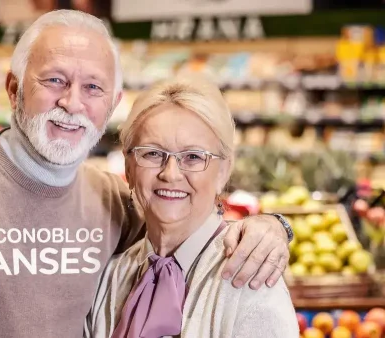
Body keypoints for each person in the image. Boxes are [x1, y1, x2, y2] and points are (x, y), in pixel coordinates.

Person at [0, 10, 292, 338]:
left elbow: (185, 221)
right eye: (54, 80)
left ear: (112, 101)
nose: (72, 102)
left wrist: (274, 227)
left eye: (93, 87)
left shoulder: (112, 202)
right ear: (14, 89)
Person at [85, 78, 298, 338]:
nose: (170, 174)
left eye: (194, 157)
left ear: (223, 171)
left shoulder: (251, 278)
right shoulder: (110, 277)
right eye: (152, 153)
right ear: (128, 166)